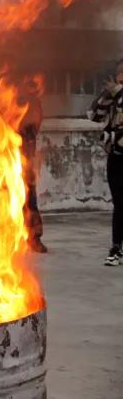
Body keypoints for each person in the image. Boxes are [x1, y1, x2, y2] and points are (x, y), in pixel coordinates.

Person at [88, 59, 123, 266]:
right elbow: (94, 115)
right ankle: (116, 247)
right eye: (120, 72)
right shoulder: (115, 95)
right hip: (116, 157)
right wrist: (108, 94)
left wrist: (118, 92)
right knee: (120, 204)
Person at [19, 80, 47, 253]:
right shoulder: (0, 96)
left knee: (30, 199)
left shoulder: (32, 101)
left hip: (25, 158)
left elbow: (35, 125)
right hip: (0, 158)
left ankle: (34, 237)